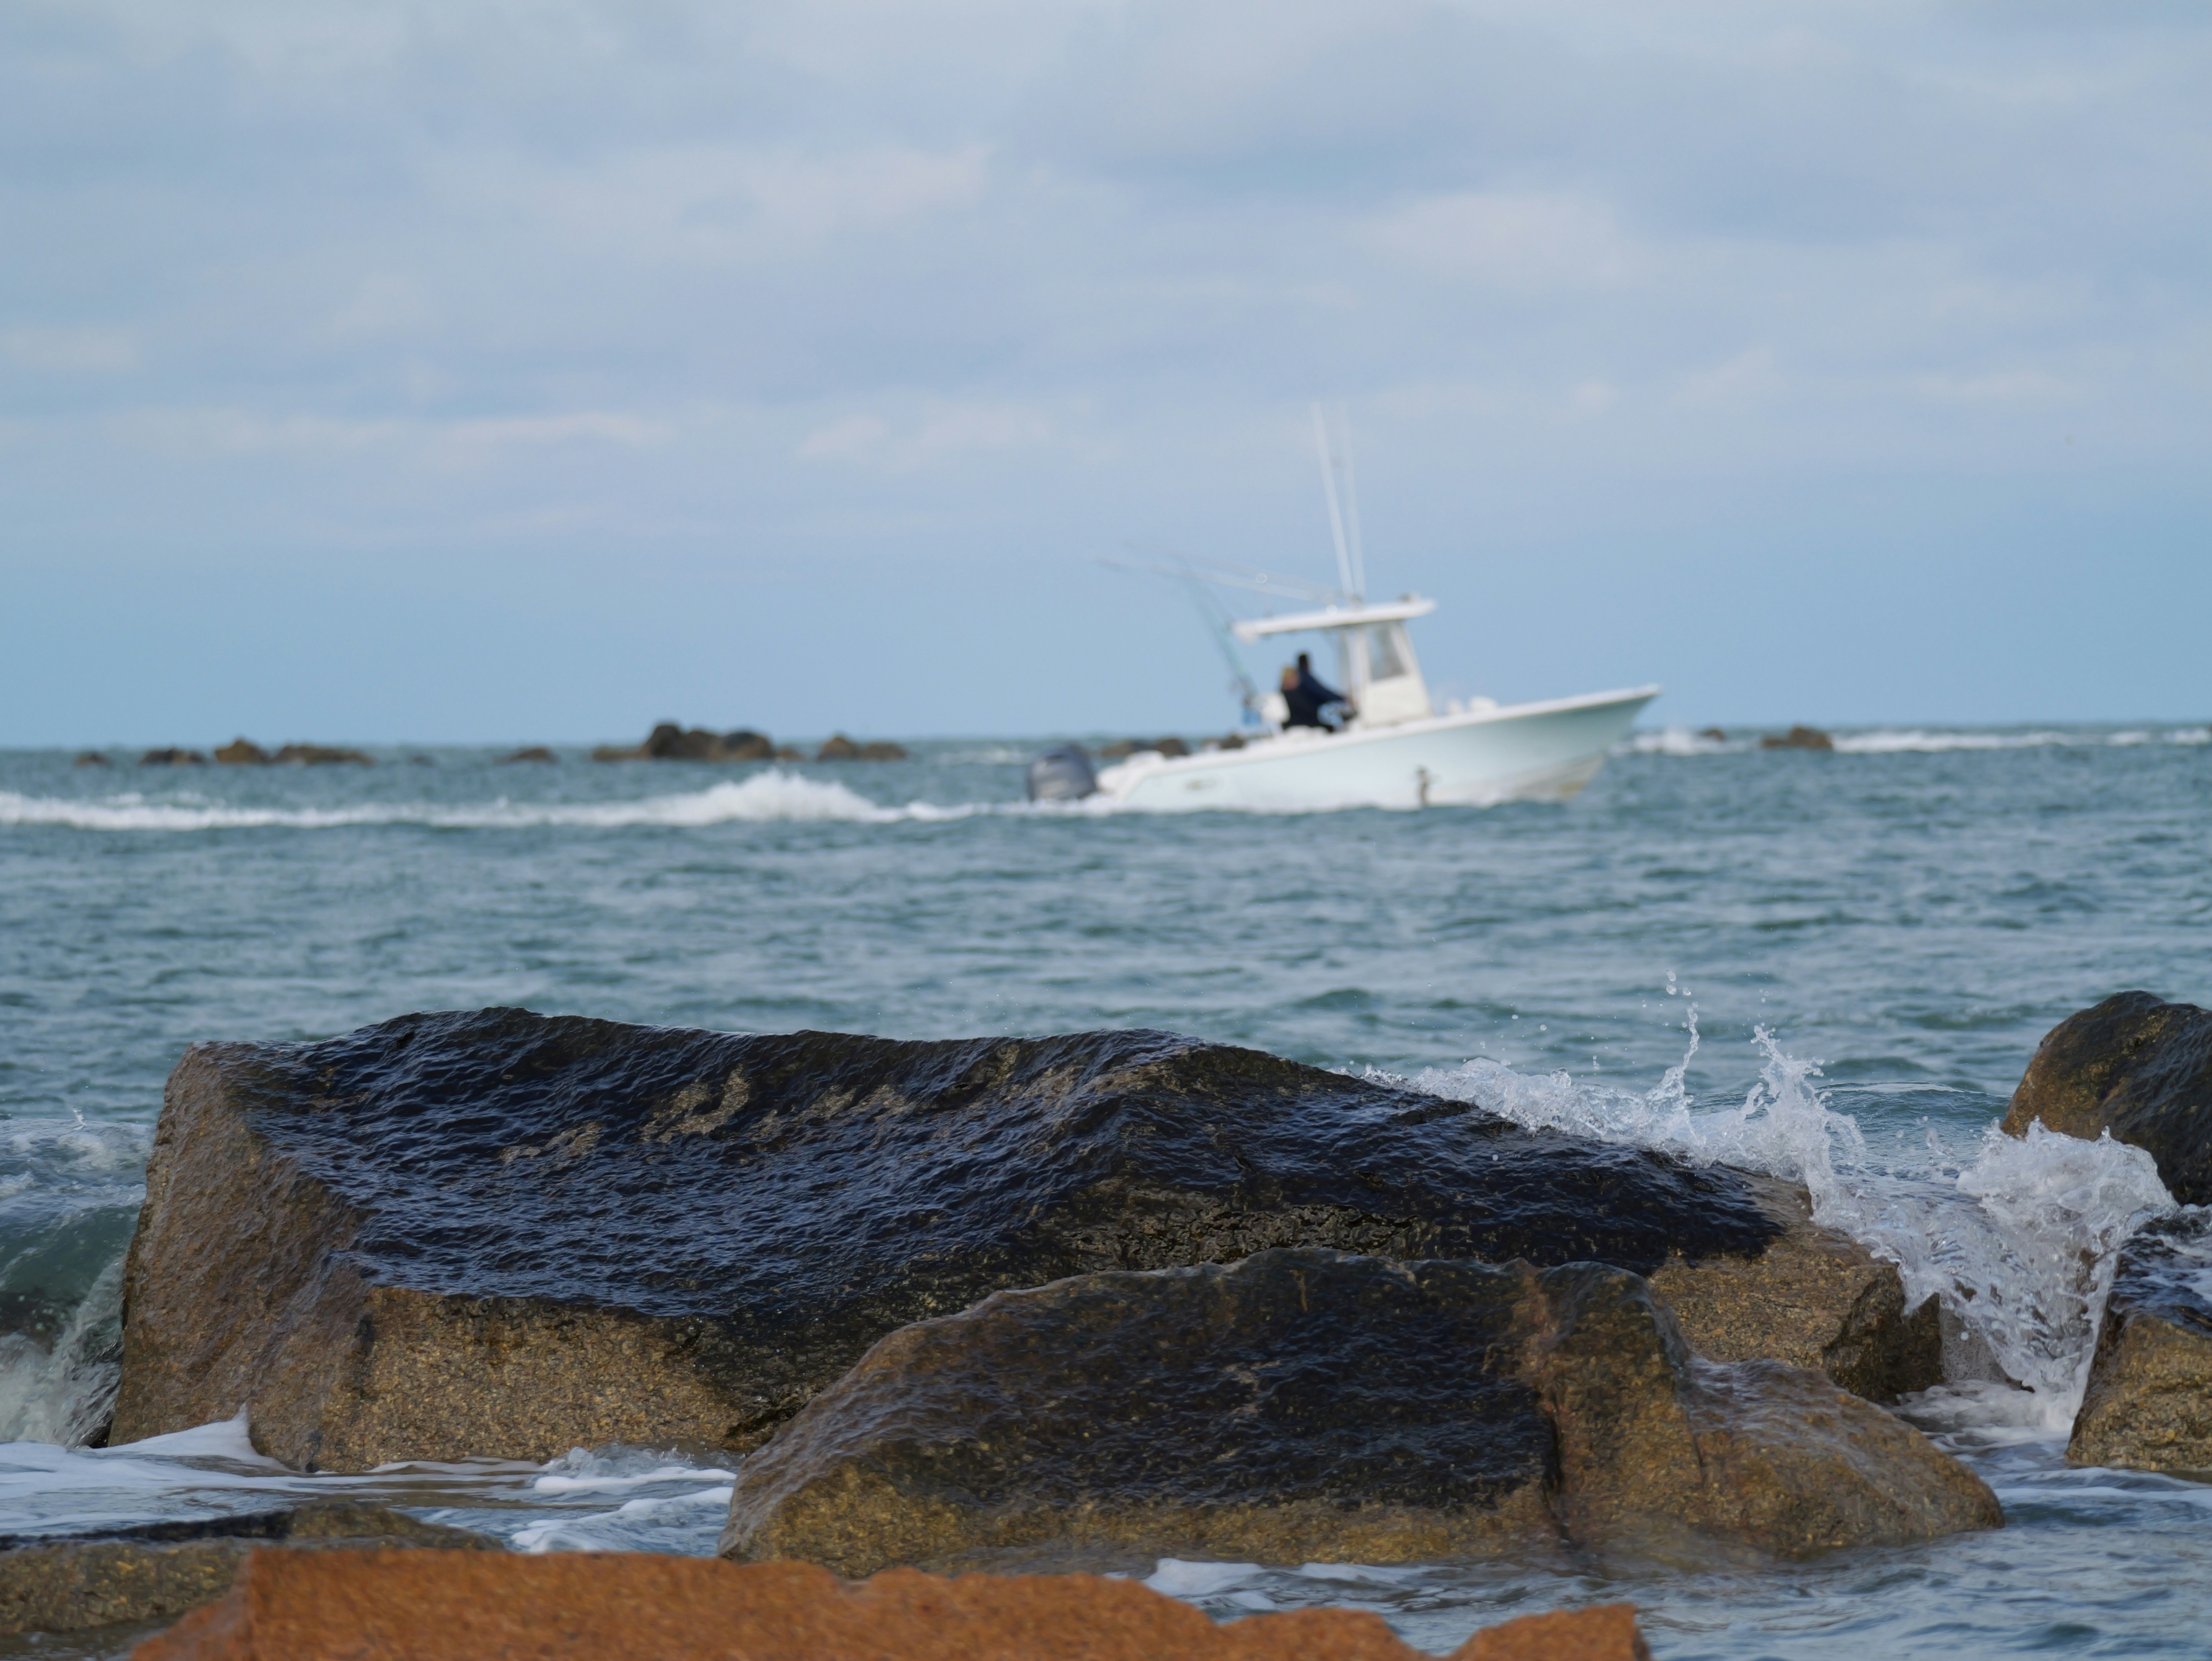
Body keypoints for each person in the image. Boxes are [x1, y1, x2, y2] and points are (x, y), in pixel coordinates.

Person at [1280, 652, 1348, 731]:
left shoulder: (1284, 693)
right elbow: (1322, 693)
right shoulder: (1302, 684)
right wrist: (1342, 699)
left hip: (1293, 725)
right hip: (1305, 724)